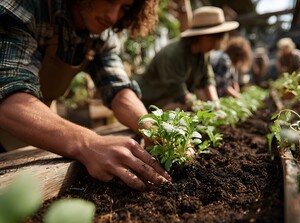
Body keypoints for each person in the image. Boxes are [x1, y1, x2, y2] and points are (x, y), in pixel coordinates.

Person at [0, 0, 172, 191]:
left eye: (125, 8)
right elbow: (8, 95)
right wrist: (88, 143)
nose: (113, 17)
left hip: (32, 133)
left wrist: (151, 128)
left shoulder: (100, 32)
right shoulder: (25, 5)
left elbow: (118, 89)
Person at [137, 6, 239, 110]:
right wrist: (202, 108)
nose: (215, 45)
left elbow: (207, 79)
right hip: (151, 99)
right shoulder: (174, 54)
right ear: (200, 36)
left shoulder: (203, 53)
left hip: (171, 97)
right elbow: (178, 91)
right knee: (181, 109)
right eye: (212, 40)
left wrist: (216, 104)